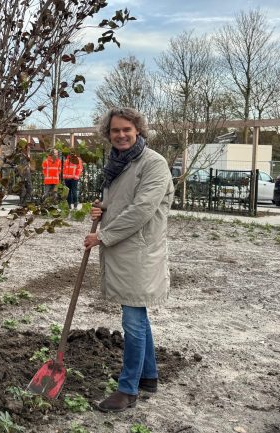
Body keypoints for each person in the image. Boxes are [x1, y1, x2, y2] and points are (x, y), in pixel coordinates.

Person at [83, 107, 174, 413]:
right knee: (136, 315)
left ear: (138, 131)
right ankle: (148, 377)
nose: (121, 135)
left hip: (139, 253)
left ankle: (128, 389)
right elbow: (122, 202)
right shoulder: (117, 164)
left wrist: (103, 236)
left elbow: (142, 210)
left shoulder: (153, 164)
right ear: (108, 134)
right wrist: (102, 208)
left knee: (133, 321)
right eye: (115, 130)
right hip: (122, 251)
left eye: (126, 130)